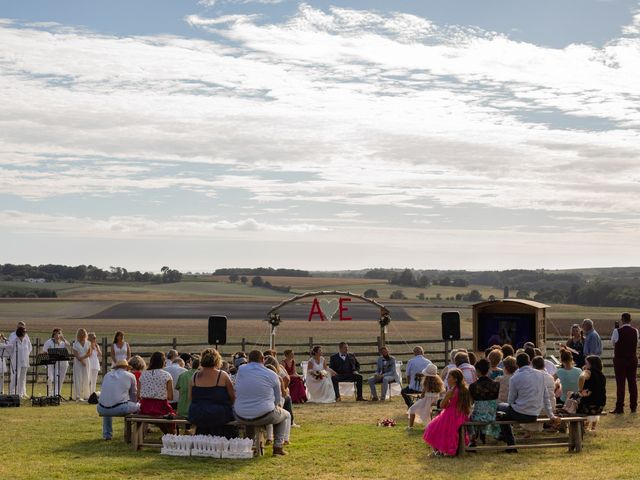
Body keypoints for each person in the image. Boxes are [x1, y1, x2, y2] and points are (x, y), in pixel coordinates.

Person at [497, 353, 560, 450]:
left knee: (500, 410)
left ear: (517, 364)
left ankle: (510, 444)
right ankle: (509, 443)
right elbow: (546, 398)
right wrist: (550, 415)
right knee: (503, 412)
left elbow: (510, 401)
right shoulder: (541, 375)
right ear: (529, 362)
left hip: (520, 413)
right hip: (534, 413)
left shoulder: (515, 378)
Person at [233, 350, 291, 456]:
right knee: (285, 415)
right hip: (264, 414)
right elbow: (277, 398)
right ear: (263, 359)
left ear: (248, 360)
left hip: (240, 414)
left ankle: (248, 444)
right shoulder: (272, 374)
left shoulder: (241, 370)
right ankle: (278, 447)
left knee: (250, 415)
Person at [423, 369, 472, 456]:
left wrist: (447, 400)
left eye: (449, 377)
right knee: (441, 427)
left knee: (433, 427)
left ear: (455, 379)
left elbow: (442, 405)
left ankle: (440, 450)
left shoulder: (451, 391)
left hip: (451, 414)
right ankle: (442, 450)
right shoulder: (465, 390)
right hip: (462, 414)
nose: (447, 379)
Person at [188, 348, 235, 437]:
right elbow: (232, 397)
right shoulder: (223, 375)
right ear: (218, 360)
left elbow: (190, 398)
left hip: (197, 413)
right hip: (218, 414)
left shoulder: (194, 376)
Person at [96, 359, 139, 440]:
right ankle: (135, 433)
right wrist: (133, 404)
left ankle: (107, 435)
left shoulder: (107, 375)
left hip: (101, 408)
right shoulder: (130, 376)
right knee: (139, 406)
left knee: (108, 404)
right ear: (126, 367)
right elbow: (134, 395)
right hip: (119, 408)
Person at [138, 351, 175, 433]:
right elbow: (170, 397)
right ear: (162, 361)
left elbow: (138, 395)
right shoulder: (167, 375)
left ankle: (167, 435)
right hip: (161, 407)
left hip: (145, 407)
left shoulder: (143, 374)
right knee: (171, 417)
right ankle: (171, 437)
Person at [610, 312, 639, 414]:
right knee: (633, 383)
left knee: (620, 384)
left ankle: (620, 407)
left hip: (620, 360)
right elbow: (636, 342)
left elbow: (613, 343)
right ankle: (633, 406)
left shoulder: (617, 331)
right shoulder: (635, 331)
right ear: (630, 320)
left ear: (622, 320)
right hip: (632, 359)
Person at [469, 358, 500, 445]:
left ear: (477, 370)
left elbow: (470, 403)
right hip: (492, 415)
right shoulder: (496, 384)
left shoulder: (473, 386)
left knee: (468, 417)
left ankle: (472, 440)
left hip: (478, 416)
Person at [407, 363, 444, 428]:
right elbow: (441, 392)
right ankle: (431, 424)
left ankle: (410, 426)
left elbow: (423, 394)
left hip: (426, 399)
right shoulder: (439, 382)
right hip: (436, 400)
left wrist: (420, 398)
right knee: (429, 411)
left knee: (412, 409)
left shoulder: (426, 381)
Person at [577, 355, 607, 430]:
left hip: (588, 407)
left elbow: (581, 377)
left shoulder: (588, 372)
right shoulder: (602, 375)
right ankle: (591, 428)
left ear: (591, 364)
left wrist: (580, 390)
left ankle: (582, 428)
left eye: (586, 363)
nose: (584, 365)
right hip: (600, 407)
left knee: (571, 399)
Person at [42, 328, 70, 397]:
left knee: (60, 379)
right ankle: (49, 394)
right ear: (53, 334)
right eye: (56, 333)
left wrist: (63, 339)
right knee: (51, 378)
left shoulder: (63, 343)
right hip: (51, 363)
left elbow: (69, 346)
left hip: (63, 364)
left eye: (59, 333)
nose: (58, 335)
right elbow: (45, 352)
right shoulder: (48, 342)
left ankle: (57, 394)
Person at [9, 326, 32, 398]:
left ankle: (20, 395)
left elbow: (29, 349)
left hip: (24, 362)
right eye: (24, 332)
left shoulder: (26, 340)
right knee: (15, 379)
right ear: (20, 332)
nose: (25, 333)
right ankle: (12, 394)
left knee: (22, 379)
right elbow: (10, 352)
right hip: (16, 362)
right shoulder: (14, 341)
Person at [72, 328, 91, 401]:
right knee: (78, 378)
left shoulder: (88, 342)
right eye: (81, 333)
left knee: (86, 377)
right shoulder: (75, 343)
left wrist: (83, 359)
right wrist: (81, 360)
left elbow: (89, 353)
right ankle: (78, 395)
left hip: (86, 361)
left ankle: (86, 395)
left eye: (84, 333)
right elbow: (75, 354)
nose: (83, 334)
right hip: (78, 362)